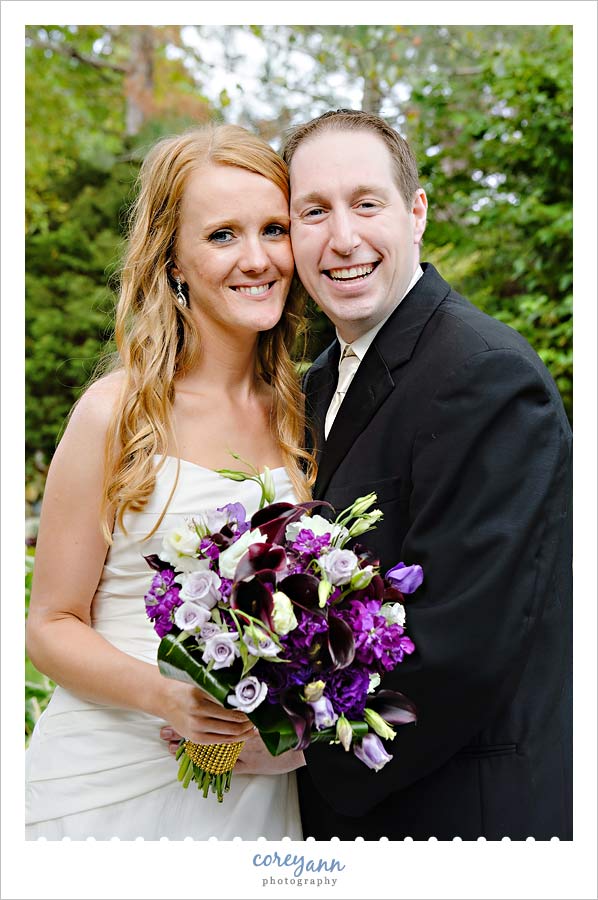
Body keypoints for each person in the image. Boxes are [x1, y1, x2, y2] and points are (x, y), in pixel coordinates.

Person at [282, 109, 573, 840]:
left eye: (366, 203)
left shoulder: (485, 374)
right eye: (313, 212)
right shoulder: (316, 380)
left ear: (415, 214)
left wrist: (290, 741)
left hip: (452, 815)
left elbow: (464, 642)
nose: (342, 238)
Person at [25, 124, 310, 840]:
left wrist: (294, 740)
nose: (257, 258)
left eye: (273, 228)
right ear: (172, 259)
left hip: (254, 798)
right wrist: (169, 697)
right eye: (222, 235)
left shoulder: (305, 417)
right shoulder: (116, 413)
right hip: (110, 781)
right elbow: (50, 625)